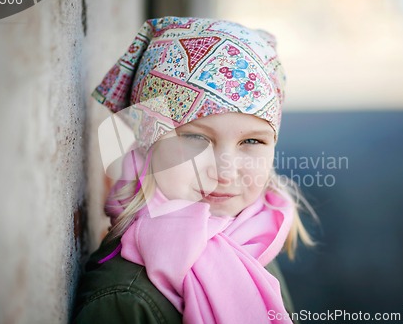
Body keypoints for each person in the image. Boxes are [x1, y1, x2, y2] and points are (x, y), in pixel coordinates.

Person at [73, 16, 316, 324]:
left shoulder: (251, 240)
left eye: (252, 140)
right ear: (148, 140)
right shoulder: (125, 301)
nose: (225, 171)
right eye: (196, 137)